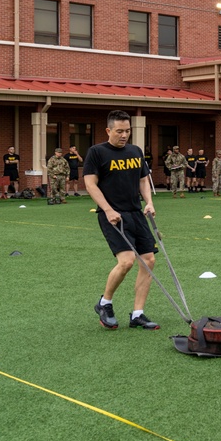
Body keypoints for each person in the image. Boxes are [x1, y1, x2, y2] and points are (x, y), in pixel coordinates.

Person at [85, 109, 159, 330]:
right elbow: (90, 184)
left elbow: (143, 180)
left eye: (127, 131)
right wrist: (107, 209)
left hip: (136, 214)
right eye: (119, 131)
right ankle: (104, 303)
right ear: (109, 130)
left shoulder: (135, 151)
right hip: (113, 216)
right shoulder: (96, 152)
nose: (124, 135)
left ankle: (137, 314)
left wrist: (149, 202)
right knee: (126, 261)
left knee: (149, 260)